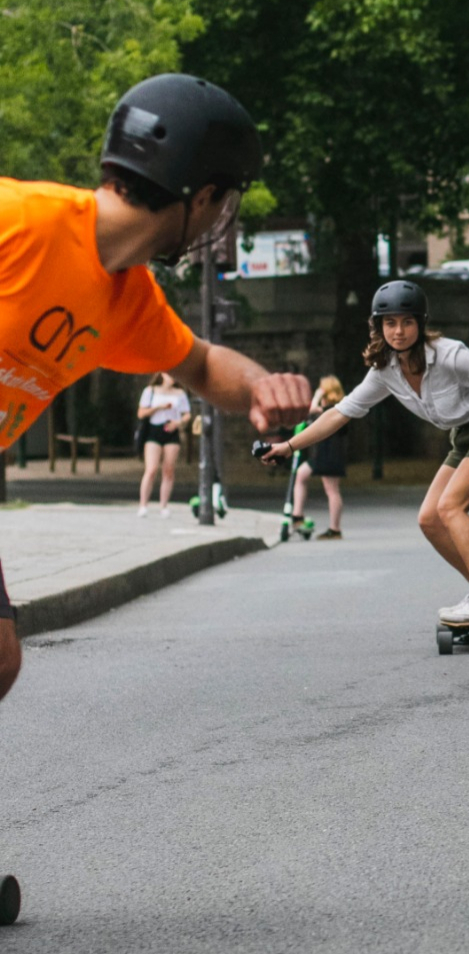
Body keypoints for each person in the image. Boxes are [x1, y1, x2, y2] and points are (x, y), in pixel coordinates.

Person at [0, 73, 312, 704]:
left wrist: (263, 388)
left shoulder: (127, 298)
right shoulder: (20, 218)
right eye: (226, 202)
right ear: (203, 196)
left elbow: (197, 363)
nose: (221, 219)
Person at [257, 280, 469, 628]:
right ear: (379, 327)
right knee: (429, 519)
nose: (399, 331)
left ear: (420, 323)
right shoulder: (385, 371)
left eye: (407, 322)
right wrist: (287, 447)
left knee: (450, 506)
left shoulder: (451, 355)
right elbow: (339, 413)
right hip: (464, 438)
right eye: (390, 323)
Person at [291, 375, 348, 539]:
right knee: (301, 474)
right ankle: (297, 515)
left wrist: (316, 397)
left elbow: (311, 410)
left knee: (332, 491)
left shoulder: (333, 410)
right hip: (321, 456)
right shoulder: (331, 410)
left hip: (330, 456)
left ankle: (335, 529)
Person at [136, 370, 192, 517]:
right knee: (151, 469)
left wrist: (177, 423)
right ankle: (143, 505)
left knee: (168, 469)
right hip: (154, 430)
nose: (172, 377)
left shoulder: (180, 393)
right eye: (169, 374)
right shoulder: (150, 391)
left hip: (171, 430)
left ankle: (164, 505)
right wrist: (159, 407)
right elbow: (141, 413)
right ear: (162, 374)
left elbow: (187, 414)